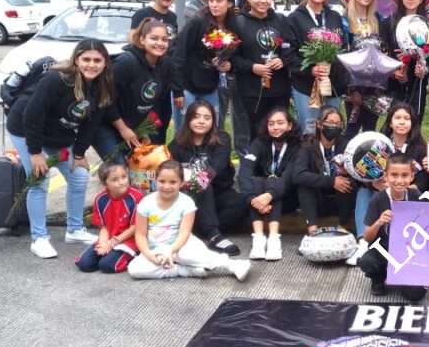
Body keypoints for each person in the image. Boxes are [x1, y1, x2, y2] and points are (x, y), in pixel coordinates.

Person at [7, 39, 114, 259]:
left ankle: (74, 230)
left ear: (105, 63)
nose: (91, 65)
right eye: (86, 59)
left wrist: (79, 153)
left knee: (79, 177)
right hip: (25, 129)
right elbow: (32, 116)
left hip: (58, 134)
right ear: (76, 60)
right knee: (39, 180)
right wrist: (35, 153)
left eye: (97, 60)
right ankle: (39, 237)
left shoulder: (102, 85)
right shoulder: (56, 80)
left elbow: (92, 122)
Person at [126, 161, 250, 281]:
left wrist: (171, 251)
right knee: (135, 269)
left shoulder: (186, 202)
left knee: (188, 255)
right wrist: (148, 254)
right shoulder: (145, 203)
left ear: (181, 183)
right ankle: (183, 270)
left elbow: (184, 233)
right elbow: (140, 234)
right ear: (155, 181)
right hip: (155, 249)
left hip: (181, 245)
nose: (166, 186)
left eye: (173, 182)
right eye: (162, 181)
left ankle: (232, 265)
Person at [167, 100, 248, 257]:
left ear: (213, 121)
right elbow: (170, 171)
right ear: (188, 119)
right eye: (196, 117)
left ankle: (197, 230)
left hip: (219, 193)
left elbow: (216, 167)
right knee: (201, 184)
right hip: (191, 196)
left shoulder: (222, 139)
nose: (201, 121)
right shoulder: (177, 143)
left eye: (207, 117)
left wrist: (196, 179)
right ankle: (213, 235)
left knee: (241, 202)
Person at [351, 101, 428, 264]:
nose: (402, 122)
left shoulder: (420, 148)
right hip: (381, 194)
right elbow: (364, 174)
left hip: (406, 195)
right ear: (390, 122)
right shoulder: (378, 145)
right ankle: (363, 242)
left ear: (412, 123)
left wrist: (403, 186)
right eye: (397, 117)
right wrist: (374, 184)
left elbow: (423, 181)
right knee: (363, 192)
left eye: (406, 118)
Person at [93, 18, 172, 163]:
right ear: (142, 40)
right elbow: (105, 99)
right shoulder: (126, 63)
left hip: (133, 125)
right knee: (119, 168)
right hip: (105, 124)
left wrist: (144, 131)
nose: (160, 43)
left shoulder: (165, 65)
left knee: (142, 167)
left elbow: (155, 102)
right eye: (154, 38)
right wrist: (123, 129)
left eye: (164, 39)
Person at [357, 152, 427, 301]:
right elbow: (367, 237)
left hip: (408, 253)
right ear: (386, 176)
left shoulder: (416, 196)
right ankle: (378, 278)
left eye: (404, 175)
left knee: (416, 295)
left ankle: (402, 277)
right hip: (384, 250)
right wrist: (379, 222)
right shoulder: (378, 199)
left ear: (411, 176)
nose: (399, 180)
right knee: (367, 262)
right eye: (394, 175)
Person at [284, 0, 346, 135]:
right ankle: (308, 160)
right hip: (305, 86)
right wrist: (310, 69)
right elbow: (289, 55)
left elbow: (343, 47)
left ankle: (329, 159)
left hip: (332, 85)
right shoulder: (294, 18)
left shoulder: (334, 16)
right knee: (309, 130)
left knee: (331, 129)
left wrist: (331, 66)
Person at [230, 0, 291, 138]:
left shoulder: (281, 20)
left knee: (280, 131)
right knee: (256, 133)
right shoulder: (238, 22)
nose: (263, 0)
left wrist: (282, 60)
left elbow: (291, 47)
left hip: (279, 89)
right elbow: (232, 58)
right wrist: (252, 67)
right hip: (251, 91)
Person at [240, 107, 301, 262]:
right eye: (271, 123)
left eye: (280, 123)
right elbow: (245, 170)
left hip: (287, 197)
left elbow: (289, 176)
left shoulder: (298, 145)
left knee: (274, 181)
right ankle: (259, 239)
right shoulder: (259, 142)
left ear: (289, 125)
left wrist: (270, 195)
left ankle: (274, 239)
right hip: (259, 199)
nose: (275, 127)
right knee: (256, 180)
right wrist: (252, 199)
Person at [172, 0, 235, 130]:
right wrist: (177, 90)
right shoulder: (197, 21)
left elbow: (234, 53)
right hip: (188, 86)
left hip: (211, 86)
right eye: (211, 0)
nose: (214, 4)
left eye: (219, 1)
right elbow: (179, 53)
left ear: (230, 3)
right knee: (184, 131)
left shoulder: (232, 24)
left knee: (210, 128)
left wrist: (226, 63)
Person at [292, 106, 356, 235]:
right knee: (304, 186)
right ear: (319, 124)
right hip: (318, 200)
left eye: (338, 124)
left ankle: (344, 226)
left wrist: (347, 172)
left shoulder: (347, 145)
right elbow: (298, 175)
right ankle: (312, 231)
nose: (334, 126)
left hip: (341, 201)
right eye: (330, 123)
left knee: (347, 182)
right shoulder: (307, 145)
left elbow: (358, 174)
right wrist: (331, 181)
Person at [341, 0, 388, 136]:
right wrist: (352, 88)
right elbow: (342, 53)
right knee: (352, 128)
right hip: (354, 85)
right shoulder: (344, 20)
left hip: (375, 85)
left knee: (370, 128)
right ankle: (346, 159)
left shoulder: (379, 19)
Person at [75, 161, 143, 273]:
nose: (121, 182)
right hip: (109, 237)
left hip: (129, 240)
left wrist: (111, 244)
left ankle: (135, 255)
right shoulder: (100, 199)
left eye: (124, 177)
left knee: (106, 265)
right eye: (115, 180)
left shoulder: (136, 197)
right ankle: (109, 253)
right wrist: (102, 244)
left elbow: (135, 227)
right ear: (105, 183)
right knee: (84, 264)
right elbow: (104, 226)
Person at [382, 0, 429, 127]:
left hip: (417, 80)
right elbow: (382, 51)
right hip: (395, 82)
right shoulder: (388, 23)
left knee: (414, 121)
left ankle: (412, 150)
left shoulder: (428, 25)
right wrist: (393, 70)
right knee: (393, 123)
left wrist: (425, 68)